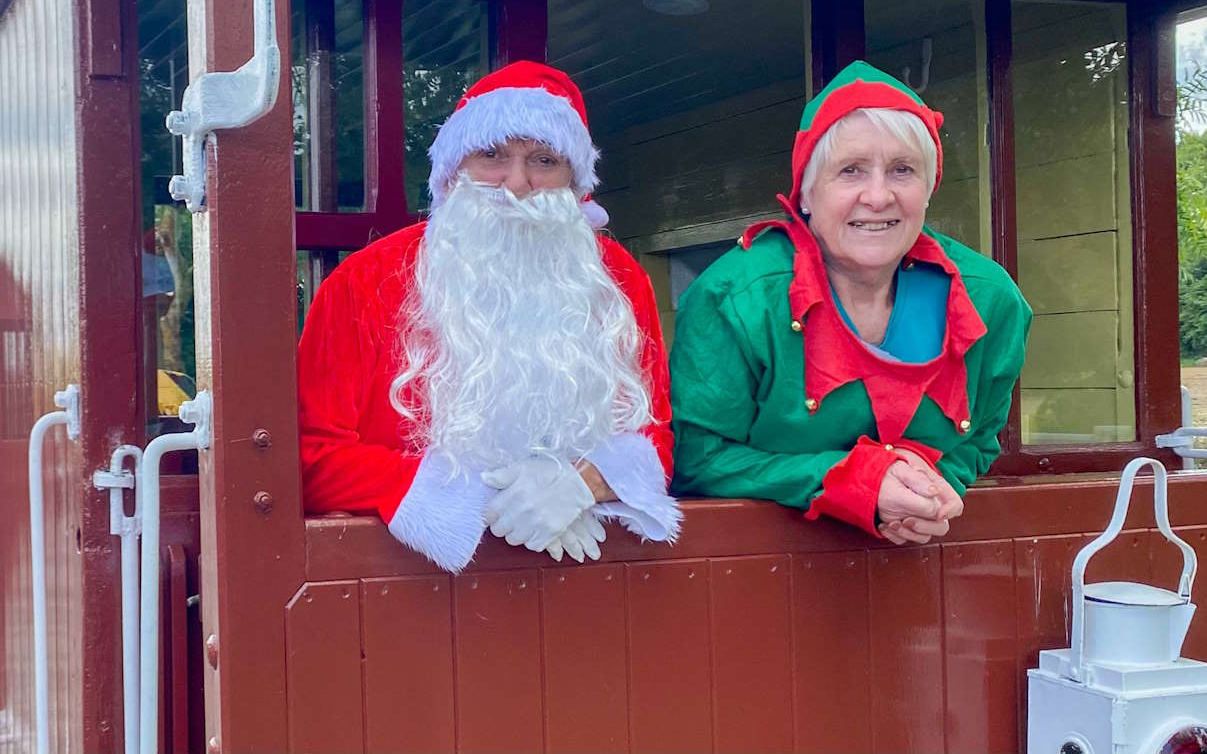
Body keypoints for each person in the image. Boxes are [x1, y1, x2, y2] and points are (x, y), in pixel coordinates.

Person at [297, 61, 680, 572]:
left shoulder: (619, 280)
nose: (516, 184)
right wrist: (477, 495)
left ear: (575, 184)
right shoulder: (365, 282)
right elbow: (311, 458)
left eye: (544, 159)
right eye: (492, 154)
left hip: (586, 590)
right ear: (453, 171)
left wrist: (586, 482)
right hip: (404, 597)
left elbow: (654, 433)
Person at [669, 61, 1031, 545]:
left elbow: (980, 439)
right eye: (851, 171)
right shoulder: (736, 298)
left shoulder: (991, 300)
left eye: (903, 170)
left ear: (928, 189)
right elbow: (697, 458)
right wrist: (856, 481)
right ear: (806, 194)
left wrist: (930, 488)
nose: (878, 196)